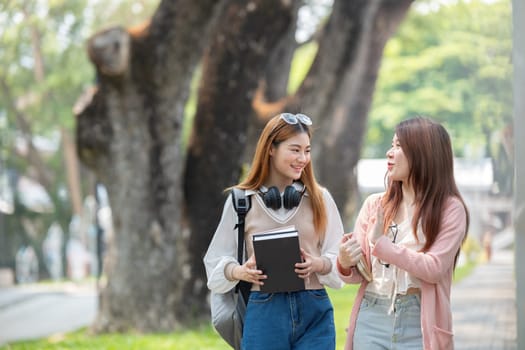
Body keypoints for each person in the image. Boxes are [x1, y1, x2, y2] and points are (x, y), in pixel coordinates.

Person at [204, 112, 344, 350]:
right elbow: (214, 261)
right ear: (271, 148)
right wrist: (240, 271)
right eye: (295, 149)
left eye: (307, 150)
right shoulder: (242, 201)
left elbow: (340, 259)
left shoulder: (320, 198)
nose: (303, 158)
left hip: (314, 308)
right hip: (264, 310)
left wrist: (319, 264)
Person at [337, 116, 469, 350]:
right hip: (372, 313)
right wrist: (345, 262)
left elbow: (434, 268)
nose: (390, 152)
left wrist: (381, 243)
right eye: (392, 144)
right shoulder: (374, 204)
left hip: (418, 321)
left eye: (399, 146)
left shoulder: (450, 209)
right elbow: (360, 273)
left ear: (423, 154)